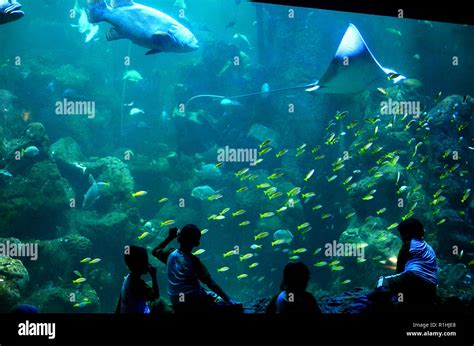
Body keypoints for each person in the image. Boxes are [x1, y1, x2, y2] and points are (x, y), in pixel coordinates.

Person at [152, 225, 236, 313]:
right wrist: (228, 299)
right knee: (220, 301)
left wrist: (170, 237)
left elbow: (155, 251)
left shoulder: (169, 254)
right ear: (197, 244)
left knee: (204, 291)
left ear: (179, 239)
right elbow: (210, 283)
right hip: (193, 301)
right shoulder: (193, 261)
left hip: (175, 300)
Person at [379, 218, 438, 305]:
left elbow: (399, 270)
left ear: (407, 233)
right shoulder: (430, 248)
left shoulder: (409, 244)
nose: (401, 237)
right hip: (432, 287)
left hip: (413, 277)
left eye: (402, 233)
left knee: (382, 281)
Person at [116, 245, 159, 314]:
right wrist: (153, 276)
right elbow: (156, 296)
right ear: (139, 265)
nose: (148, 264)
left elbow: (120, 303)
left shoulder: (127, 278)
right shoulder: (138, 285)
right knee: (160, 303)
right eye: (146, 261)